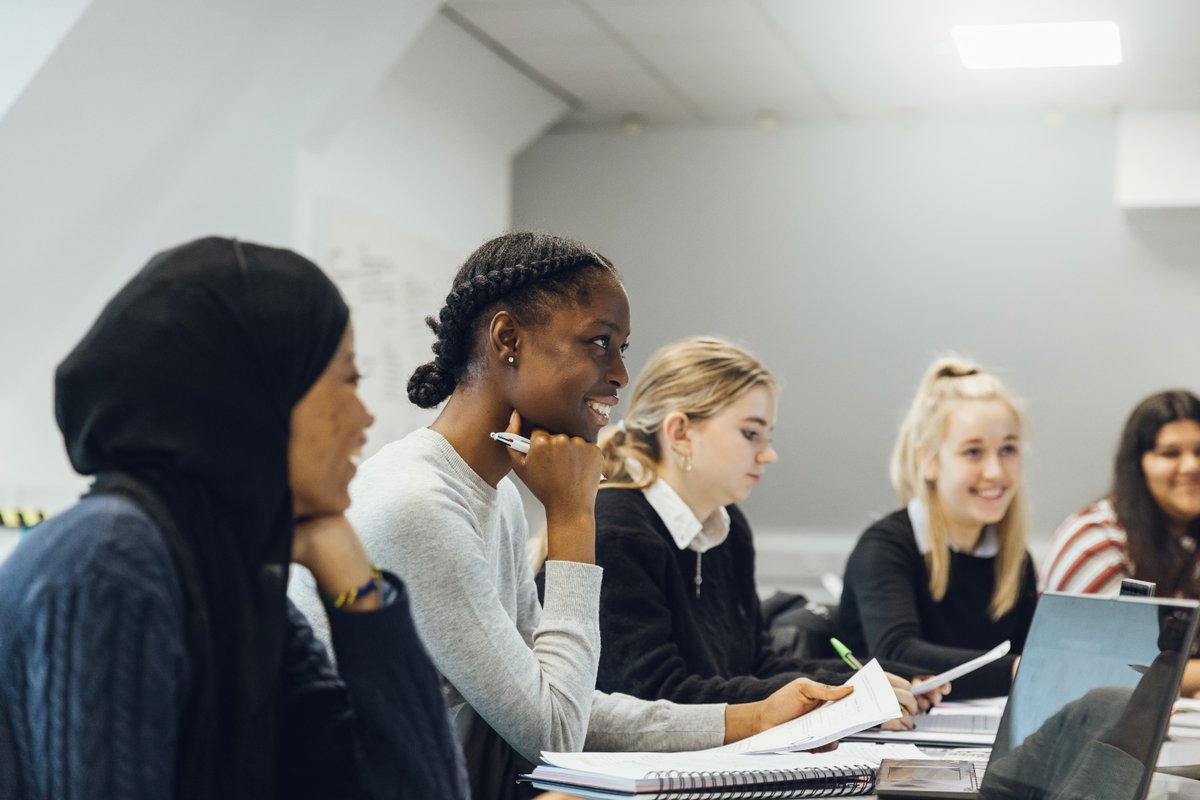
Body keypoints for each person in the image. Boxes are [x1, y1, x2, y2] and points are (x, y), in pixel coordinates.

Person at [332, 232, 862, 800]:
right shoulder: (419, 505)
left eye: (622, 348)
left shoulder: (496, 498)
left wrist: (755, 718)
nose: (619, 375)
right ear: (508, 337)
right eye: (599, 342)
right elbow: (551, 732)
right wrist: (571, 513)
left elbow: (564, 702)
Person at [0, 237, 467, 800]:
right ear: (255, 394)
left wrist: (358, 593)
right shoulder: (111, 559)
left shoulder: (228, 566)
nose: (364, 415)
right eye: (346, 379)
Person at [592, 336, 927, 710]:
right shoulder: (617, 529)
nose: (769, 454)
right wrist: (843, 699)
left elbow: (758, 665)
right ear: (680, 433)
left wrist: (872, 679)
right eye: (751, 433)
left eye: (768, 436)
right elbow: (655, 694)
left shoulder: (729, 527)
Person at [838, 356, 1038, 699]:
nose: (995, 472)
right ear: (928, 460)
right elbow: (896, 652)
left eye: (1008, 449)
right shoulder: (885, 547)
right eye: (973, 452)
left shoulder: (1016, 560)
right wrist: (1021, 669)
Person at [1042, 389, 1200, 693]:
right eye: (1170, 453)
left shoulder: (1188, 541)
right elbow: (1110, 670)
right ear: (1137, 465)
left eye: (1199, 452)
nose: (1191, 466)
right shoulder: (1095, 543)